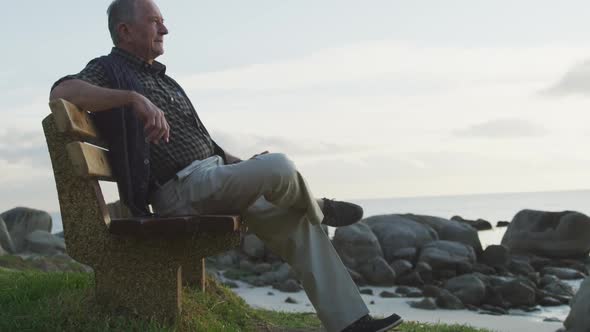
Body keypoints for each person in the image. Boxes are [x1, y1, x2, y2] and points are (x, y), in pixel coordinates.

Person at [49, 1, 403, 331]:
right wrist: (132, 98)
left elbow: (203, 142)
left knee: (295, 218)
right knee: (280, 165)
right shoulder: (109, 70)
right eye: (155, 22)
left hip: (211, 177)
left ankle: (350, 322)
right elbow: (60, 92)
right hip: (179, 191)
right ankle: (320, 207)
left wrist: (242, 165)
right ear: (125, 31)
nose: (165, 30)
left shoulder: (164, 81)